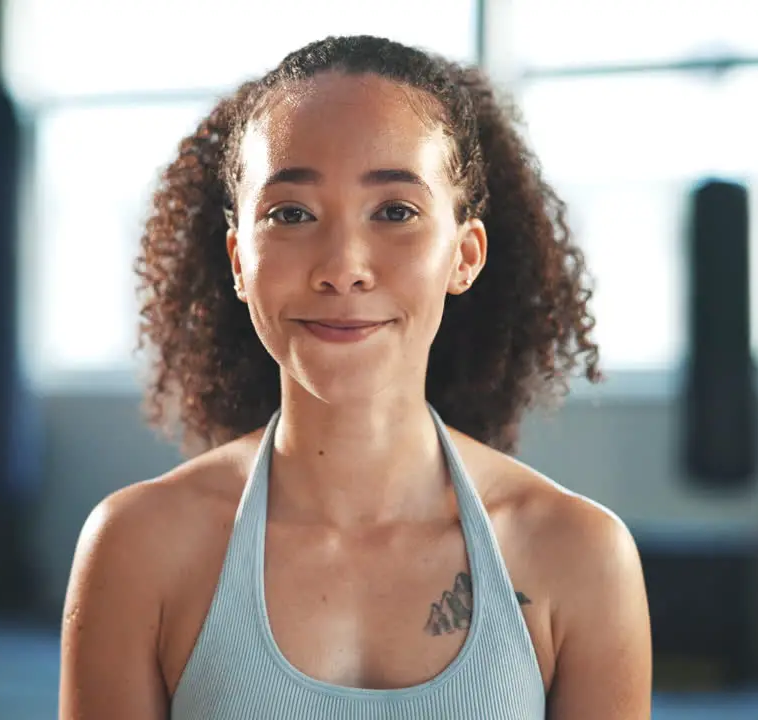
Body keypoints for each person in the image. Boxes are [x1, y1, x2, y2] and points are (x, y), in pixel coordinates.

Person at [60, 35, 651, 719]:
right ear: (237, 261)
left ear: (465, 255)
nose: (343, 266)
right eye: (291, 214)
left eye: (395, 212)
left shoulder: (579, 558)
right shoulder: (136, 549)